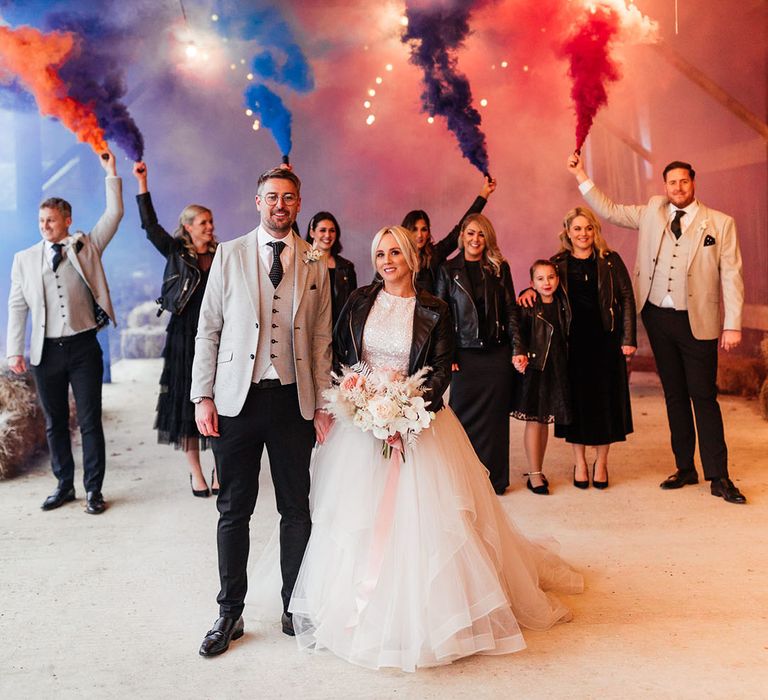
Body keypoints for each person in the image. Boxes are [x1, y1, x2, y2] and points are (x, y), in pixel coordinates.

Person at [287, 225, 582, 672]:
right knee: (353, 518)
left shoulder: (435, 307)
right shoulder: (359, 301)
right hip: (362, 426)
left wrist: (404, 412)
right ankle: (354, 608)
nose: (387, 261)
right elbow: (344, 359)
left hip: (417, 423)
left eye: (395, 253)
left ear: (411, 257)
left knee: (431, 523)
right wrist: (361, 404)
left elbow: (442, 370)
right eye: (380, 253)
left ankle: (438, 615)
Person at [191, 167, 333, 657]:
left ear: (298, 204)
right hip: (236, 400)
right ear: (257, 201)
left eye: (289, 197)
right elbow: (208, 328)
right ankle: (229, 612)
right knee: (234, 508)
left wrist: (322, 404)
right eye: (271, 197)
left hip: (293, 400)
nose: (280, 205)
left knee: (296, 507)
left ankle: (294, 606)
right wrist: (202, 396)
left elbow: (320, 339)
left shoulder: (315, 262)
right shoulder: (229, 254)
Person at [567, 153, 746, 504]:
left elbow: (732, 274)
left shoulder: (720, 223)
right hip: (658, 317)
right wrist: (580, 174)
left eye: (683, 181)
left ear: (694, 183)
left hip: (699, 320)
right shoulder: (651, 211)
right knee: (674, 395)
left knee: (704, 396)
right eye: (671, 182)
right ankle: (685, 467)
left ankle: (719, 475)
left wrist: (733, 323)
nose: (677, 187)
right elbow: (611, 210)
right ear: (665, 186)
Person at [6, 149, 123, 515]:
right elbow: (16, 305)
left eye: (51, 220)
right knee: (55, 422)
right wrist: (15, 349)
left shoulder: (86, 245)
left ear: (67, 220)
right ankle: (63, 486)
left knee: (89, 422)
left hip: (84, 347)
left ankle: (94, 491)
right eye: (41, 220)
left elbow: (114, 214)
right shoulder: (24, 259)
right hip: (45, 352)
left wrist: (111, 173)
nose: (45, 226)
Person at [520, 207, 636, 489]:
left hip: (606, 342)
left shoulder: (610, 261)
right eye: (577, 229)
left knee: (606, 403)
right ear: (567, 233)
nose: (583, 234)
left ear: (594, 231)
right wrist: (528, 291)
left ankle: (602, 462)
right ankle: (580, 462)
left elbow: (627, 297)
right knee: (577, 405)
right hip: (571, 344)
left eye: (588, 228)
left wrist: (628, 338)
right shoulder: (558, 262)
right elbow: (544, 285)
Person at [132, 162, 219, 497]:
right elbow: (149, 225)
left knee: (222, 401)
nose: (210, 227)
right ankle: (196, 472)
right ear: (187, 227)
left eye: (211, 222)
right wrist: (143, 182)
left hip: (217, 335)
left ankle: (220, 467)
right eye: (203, 223)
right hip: (185, 335)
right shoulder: (174, 252)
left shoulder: (222, 255)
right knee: (186, 403)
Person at [435, 213, 524, 495]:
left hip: (496, 355)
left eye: (481, 234)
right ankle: (463, 481)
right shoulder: (448, 270)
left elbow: (511, 310)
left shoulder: (499, 268)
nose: (475, 239)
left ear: (488, 239)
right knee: (461, 420)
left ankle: (494, 481)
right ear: (462, 236)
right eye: (471, 233)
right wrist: (446, 355)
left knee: (496, 421)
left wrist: (518, 347)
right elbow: (441, 315)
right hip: (463, 356)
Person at [511, 260, 572, 495]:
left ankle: (539, 468)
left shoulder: (562, 303)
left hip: (556, 367)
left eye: (551, 277)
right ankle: (534, 473)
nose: (546, 283)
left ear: (558, 280)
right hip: (537, 368)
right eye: (540, 279)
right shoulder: (528, 304)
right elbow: (517, 330)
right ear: (531, 283)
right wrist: (519, 354)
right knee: (535, 420)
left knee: (544, 420)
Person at [401, 175, 497, 294]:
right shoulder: (397, 257)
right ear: (406, 231)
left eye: (424, 229)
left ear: (429, 233)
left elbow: (461, 228)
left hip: (432, 311)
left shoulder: (435, 254)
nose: (420, 235)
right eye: (414, 230)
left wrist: (484, 193)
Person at [305, 211, 357, 325]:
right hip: (311, 329)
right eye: (322, 230)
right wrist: (312, 256)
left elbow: (353, 306)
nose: (328, 235)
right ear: (312, 232)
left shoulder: (346, 268)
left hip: (339, 332)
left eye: (332, 231)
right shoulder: (303, 263)